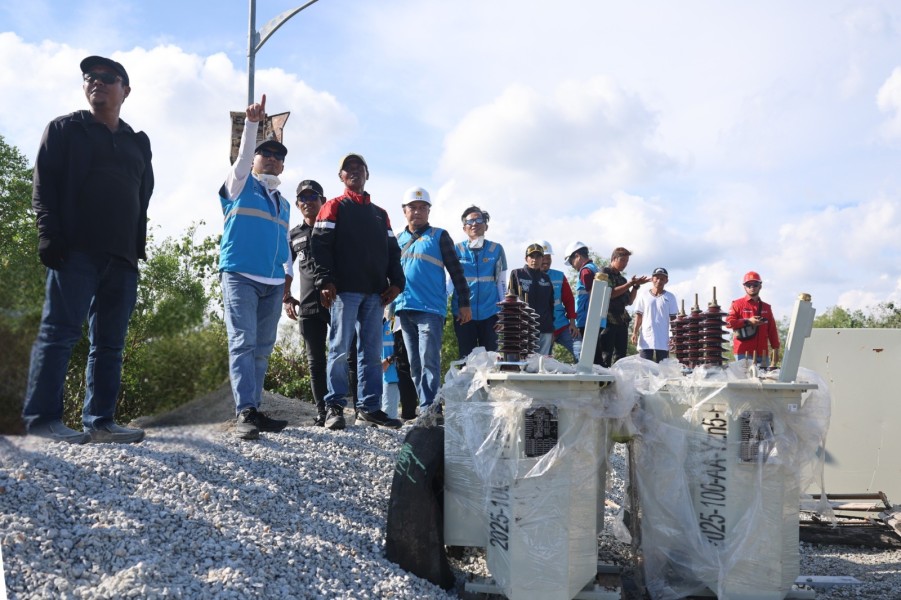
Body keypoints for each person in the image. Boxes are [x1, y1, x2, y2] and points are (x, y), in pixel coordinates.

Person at [23, 55, 153, 444]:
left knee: (110, 343)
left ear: (125, 90)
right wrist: (49, 234)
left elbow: (142, 195)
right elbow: (43, 187)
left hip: (123, 258)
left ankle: (101, 421)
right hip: (75, 250)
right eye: (89, 77)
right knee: (60, 333)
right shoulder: (65, 129)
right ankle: (42, 419)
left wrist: (136, 247)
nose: (96, 81)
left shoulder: (137, 142)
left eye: (107, 77)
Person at [311, 153, 405, 430]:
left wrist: (397, 282)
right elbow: (320, 245)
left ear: (367, 174)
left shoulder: (380, 214)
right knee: (339, 349)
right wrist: (325, 280)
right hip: (344, 291)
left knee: (371, 352)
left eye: (359, 168)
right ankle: (335, 406)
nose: (354, 172)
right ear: (341, 176)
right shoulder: (333, 206)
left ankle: (369, 407)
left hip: (375, 293)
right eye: (347, 169)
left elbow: (393, 252)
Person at [219, 95, 291, 441]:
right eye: (267, 154)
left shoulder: (284, 202)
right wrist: (251, 125)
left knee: (262, 347)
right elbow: (244, 158)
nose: (273, 160)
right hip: (240, 275)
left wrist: (287, 277)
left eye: (278, 157)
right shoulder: (239, 183)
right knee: (243, 342)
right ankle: (244, 410)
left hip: (273, 281)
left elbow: (284, 245)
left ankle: (255, 408)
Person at [395, 187, 471, 411]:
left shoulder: (439, 236)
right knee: (414, 365)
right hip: (404, 307)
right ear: (404, 211)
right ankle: (427, 407)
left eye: (422, 208)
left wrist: (464, 303)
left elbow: (456, 271)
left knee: (429, 360)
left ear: (428, 211)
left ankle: (431, 408)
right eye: (413, 208)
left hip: (430, 309)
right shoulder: (398, 239)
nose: (417, 212)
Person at [284, 180, 329, 426]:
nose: (308, 202)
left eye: (313, 197)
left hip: (337, 303)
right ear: (297, 204)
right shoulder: (294, 234)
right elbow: (284, 266)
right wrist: (286, 296)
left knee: (347, 356)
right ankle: (322, 411)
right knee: (315, 361)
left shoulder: (335, 229)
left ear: (323, 200)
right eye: (303, 198)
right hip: (309, 306)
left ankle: (343, 408)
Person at [451, 206, 507, 358]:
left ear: (486, 226)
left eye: (479, 220)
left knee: (490, 358)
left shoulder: (496, 249)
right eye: (470, 221)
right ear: (464, 228)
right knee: (466, 358)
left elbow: (502, 283)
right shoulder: (456, 249)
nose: (474, 224)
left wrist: (503, 314)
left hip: (490, 314)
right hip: (463, 313)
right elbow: (450, 283)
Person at [600, 247, 649, 367]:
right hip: (607, 320)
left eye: (626, 262)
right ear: (614, 259)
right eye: (622, 261)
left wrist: (635, 286)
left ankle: (617, 381)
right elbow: (610, 294)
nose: (624, 264)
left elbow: (629, 301)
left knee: (621, 356)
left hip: (621, 321)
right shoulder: (604, 273)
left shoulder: (622, 279)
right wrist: (630, 284)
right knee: (606, 354)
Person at [508, 243, 555, 355]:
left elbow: (551, 304)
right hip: (523, 328)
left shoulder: (546, 278)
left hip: (544, 328)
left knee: (542, 364)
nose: (535, 259)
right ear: (526, 258)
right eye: (531, 256)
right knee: (524, 363)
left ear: (542, 259)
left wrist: (552, 328)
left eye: (538, 256)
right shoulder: (517, 274)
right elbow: (510, 301)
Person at [536, 241, 580, 361]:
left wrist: (572, 323)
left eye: (548, 257)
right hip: (542, 330)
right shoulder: (529, 277)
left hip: (562, 326)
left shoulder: (559, 276)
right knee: (542, 361)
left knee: (581, 352)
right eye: (543, 257)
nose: (546, 260)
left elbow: (569, 301)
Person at [726, 271, 780, 366]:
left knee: (764, 380)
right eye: (748, 285)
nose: (752, 287)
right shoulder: (737, 304)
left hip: (763, 354)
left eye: (755, 284)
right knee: (745, 380)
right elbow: (729, 323)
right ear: (744, 287)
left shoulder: (766, 307)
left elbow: (772, 330)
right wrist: (748, 321)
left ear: (760, 286)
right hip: (743, 353)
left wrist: (776, 348)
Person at [564, 241, 603, 365]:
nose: (573, 266)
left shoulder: (585, 271)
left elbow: (593, 295)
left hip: (586, 320)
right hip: (595, 319)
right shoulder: (595, 268)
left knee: (589, 357)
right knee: (595, 354)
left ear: (577, 256)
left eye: (571, 262)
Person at [631, 267, 678, 362]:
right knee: (644, 367)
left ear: (666, 280)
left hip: (663, 339)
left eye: (662, 278)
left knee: (663, 368)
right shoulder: (643, 295)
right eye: (657, 278)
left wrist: (674, 336)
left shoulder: (670, 297)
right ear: (652, 279)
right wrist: (635, 332)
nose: (659, 280)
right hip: (646, 338)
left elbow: (673, 319)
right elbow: (639, 316)